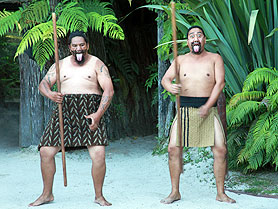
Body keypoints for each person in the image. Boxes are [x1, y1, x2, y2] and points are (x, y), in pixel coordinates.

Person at [29, 31, 114, 207]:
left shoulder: (97, 64)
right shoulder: (60, 65)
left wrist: (97, 115)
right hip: (64, 111)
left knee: (98, 154)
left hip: (89, 110)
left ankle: (99, 196)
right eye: (74, 46)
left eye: (81, 45)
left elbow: (109, 90)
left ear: (87, 45)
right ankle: (47, 194)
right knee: (46, 151)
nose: (78, 48)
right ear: (69, 48)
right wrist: (51, 95)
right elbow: (43, 84)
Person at [160, 26, 236, 204]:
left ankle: (220, 193)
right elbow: (165, 79)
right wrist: (170, 87)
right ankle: (175, 192)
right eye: (191, 36)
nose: (195, 38)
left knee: (221, 149)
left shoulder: (215, 58)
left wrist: (208, 105)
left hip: (209, 111)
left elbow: (220, 83)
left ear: (204, 40)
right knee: (173, 149)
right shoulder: (180, 60)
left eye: (199, 35)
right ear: (187, 42)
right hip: (184, 110)